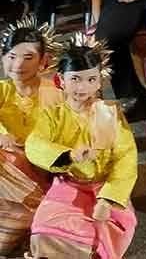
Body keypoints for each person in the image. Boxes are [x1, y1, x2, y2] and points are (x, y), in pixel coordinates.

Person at [25, 34, 138, 259]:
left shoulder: (107, 112)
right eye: (75, 79)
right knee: (44, 231)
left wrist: (108, 199)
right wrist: (68, 155)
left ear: (99, 81)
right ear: (61, 80)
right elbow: (34, 143)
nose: (83, 87)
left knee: (102, 232)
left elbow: (125, 157)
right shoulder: (52, 114)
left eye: (90, 79)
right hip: (69, 186)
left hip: (105, 187)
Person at [0, 17, 61, 255]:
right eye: (11, 56)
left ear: (43, 61)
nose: (17, 65)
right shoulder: (2, 90)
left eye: (28, 57)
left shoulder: (56, 94)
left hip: (41, 171)